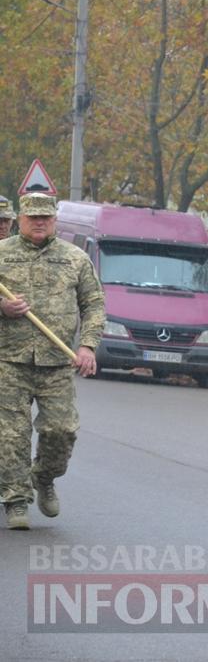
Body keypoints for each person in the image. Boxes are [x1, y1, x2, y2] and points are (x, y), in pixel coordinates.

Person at [0, 194, 105, 530]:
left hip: (57, 363)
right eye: (33, 217)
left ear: (55, 220)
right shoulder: (2, 256)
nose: (40, 222)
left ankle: (43, 478)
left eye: (46, 217)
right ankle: (16, 501)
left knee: (60, 431)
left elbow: (93, 304)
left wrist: (87, 346)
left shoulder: (75, 258)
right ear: (20, 219)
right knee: (11, 435)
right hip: (9, 360)